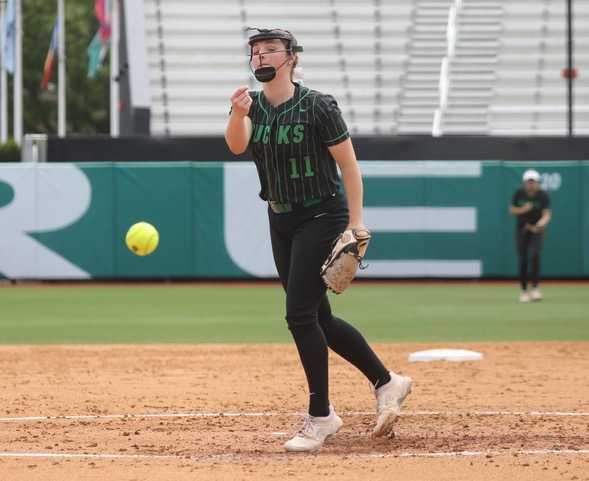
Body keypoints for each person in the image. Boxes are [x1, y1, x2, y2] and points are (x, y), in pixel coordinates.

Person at [224, 27, 412, 452]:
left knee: (298, 316)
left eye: (270, 49)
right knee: (318, 318)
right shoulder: (253, 106)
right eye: (254, 52)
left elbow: (349, 165)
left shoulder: (318, 106)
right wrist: (237, 114)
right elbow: (237, 146)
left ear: (291, 58)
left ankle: (321, 415)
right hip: (280, 217)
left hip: (323, 214)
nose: (260, 57)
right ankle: (388, 381)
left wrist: (357, 224)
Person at [509, 169, 551, 302]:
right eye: (529, 182)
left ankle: (535, 289)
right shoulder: (519, 193)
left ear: (537, 183)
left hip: (537, 230)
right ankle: (523, 291)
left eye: (533, 182)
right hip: (522, 229)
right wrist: (523, 209)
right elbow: (511, 210)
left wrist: (540, 224)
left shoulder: (543, 195)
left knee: (535, 255)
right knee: (523, 259)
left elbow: (546, 214)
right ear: (525, 183)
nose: (531, 184)